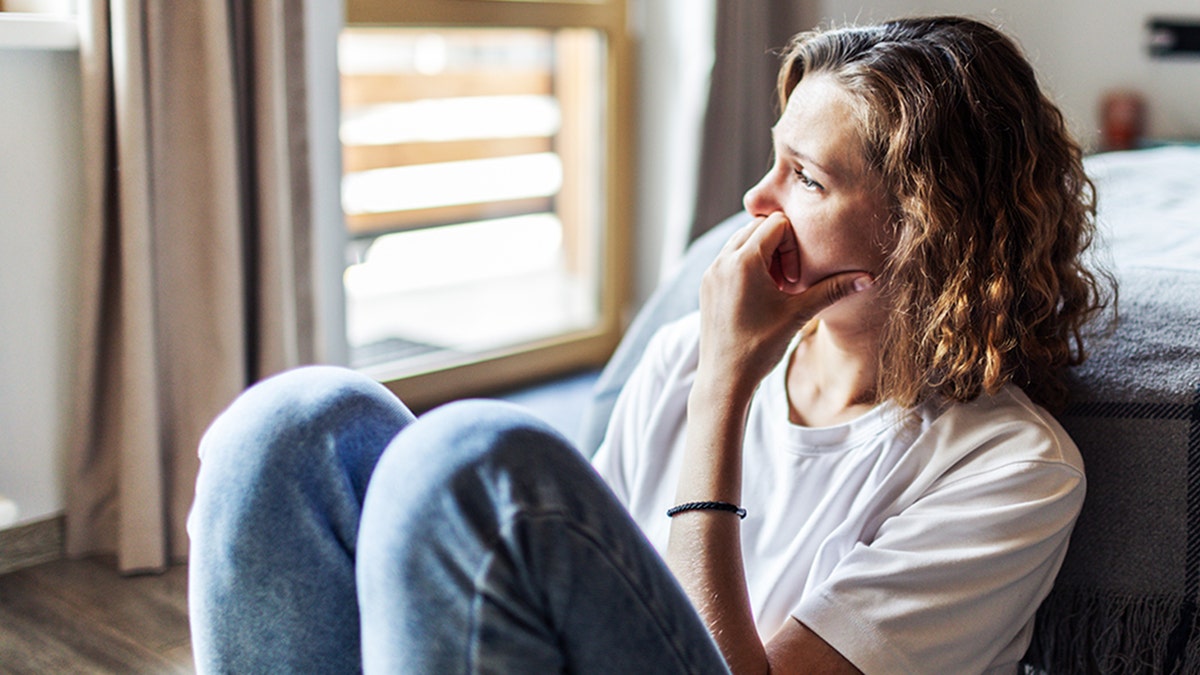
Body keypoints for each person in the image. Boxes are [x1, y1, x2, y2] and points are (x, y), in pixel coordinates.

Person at [188, 15, 1112, 674]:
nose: (755, 201)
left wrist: (724, 389)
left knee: (471, 456)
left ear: (927, 229)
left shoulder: (1011, 467)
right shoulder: (682, 350)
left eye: (805, 179)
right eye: (773, 159)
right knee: (298, 422)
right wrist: (711, 365)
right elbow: (576, 582)